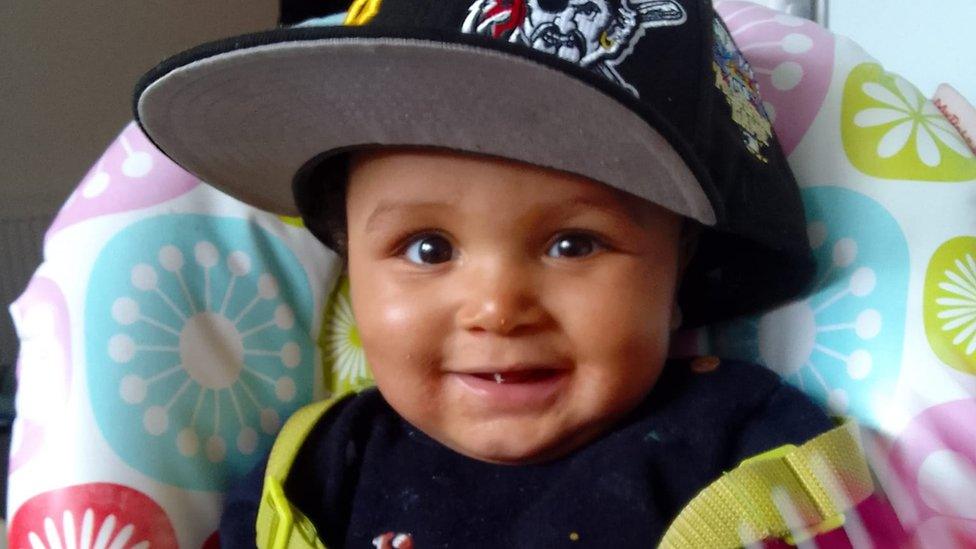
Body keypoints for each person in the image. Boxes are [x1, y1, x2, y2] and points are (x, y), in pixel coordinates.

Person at [132, 1, 871, 546]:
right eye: (427, 248)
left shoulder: (742, 440)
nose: (496, 307)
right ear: (348, 264)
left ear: (678, 272)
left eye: (575, 244)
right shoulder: (322, 466)